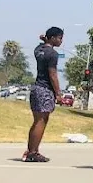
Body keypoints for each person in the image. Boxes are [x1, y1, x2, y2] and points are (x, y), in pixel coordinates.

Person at [23, 27, 64, 163]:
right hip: (45, 89)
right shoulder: (52, 54)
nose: (61, 41)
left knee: (37, 121)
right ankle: (33, 152)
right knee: (41, 121)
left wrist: (43, 40)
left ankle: (31, 150)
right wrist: (58, 93)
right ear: (52, 38)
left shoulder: (38, 50)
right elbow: (53, 74)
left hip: (36, 87)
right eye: (59, 38)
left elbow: (41, 44)